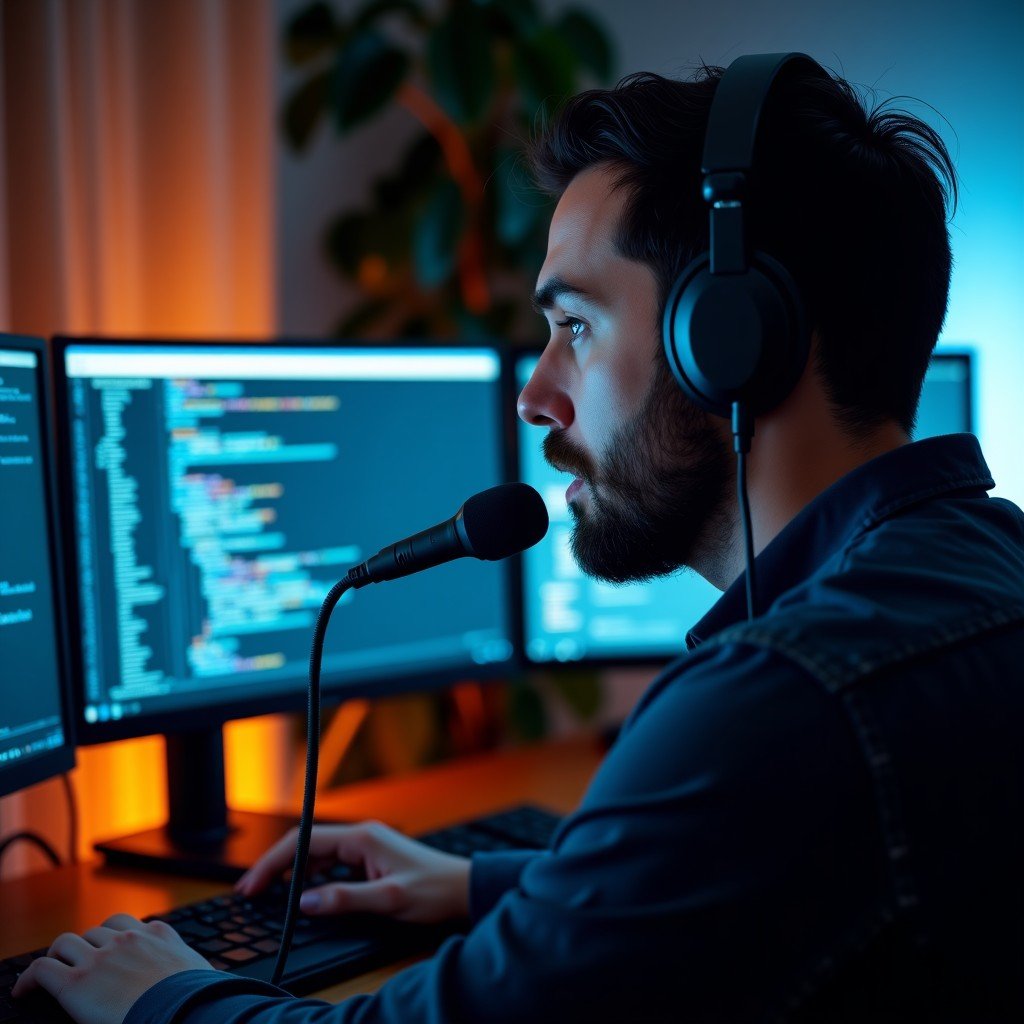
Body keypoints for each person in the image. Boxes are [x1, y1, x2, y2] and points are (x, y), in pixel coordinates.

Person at [15, 58, 1024, 1024]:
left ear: (729, 341)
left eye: (575, 326)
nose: (537, 397)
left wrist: (159, 989)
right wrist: (491, 883)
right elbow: (781, 869)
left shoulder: (782, 701)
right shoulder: (989, 568)